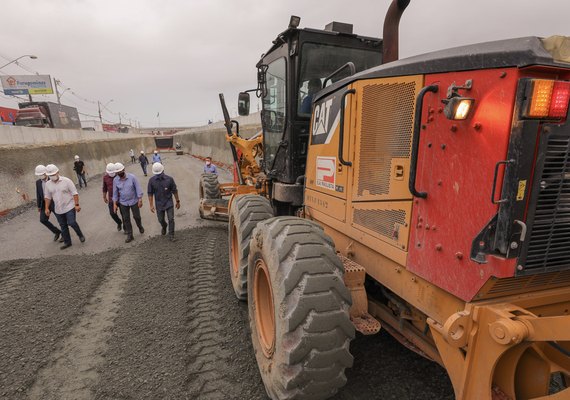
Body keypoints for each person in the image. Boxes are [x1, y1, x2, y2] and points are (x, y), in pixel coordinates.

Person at [44, 164, 85, 250]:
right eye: (50, 175)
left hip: (69, 206)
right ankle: (67, 242)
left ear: (58, 172)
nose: (52, 176)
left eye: (53, 174)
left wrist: (77, 205)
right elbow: (47, 197)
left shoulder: (67, 181)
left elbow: (74, 193)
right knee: (63, 226)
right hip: (58, 209)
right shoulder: (48, 184)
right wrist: (46, 208)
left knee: (72, 222)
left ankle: (80, 234)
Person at [112, 163, 145, 243]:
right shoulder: (115, 180)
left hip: (134, 200)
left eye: (120, 172)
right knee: (126, 219)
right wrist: (114, 204)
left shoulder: (132, 177)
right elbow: (115, 193)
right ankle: (130, 235)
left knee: (137, 216)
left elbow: (138, 188)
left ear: (124, 170)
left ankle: (139, 226)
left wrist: (140, 199)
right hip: (123, 202)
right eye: (118, 173)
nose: (119, 174)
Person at [148, 162, 180, 242]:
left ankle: (171, 235)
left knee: (171, 219)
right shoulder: (151, 181)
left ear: (163, 170)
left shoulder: (170, 179)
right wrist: (151, 205)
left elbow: (175, 191)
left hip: (169, 203)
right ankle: (164, 226)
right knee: (160, 219)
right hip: (159, 204)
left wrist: (177, 201)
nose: (158, 175)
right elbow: (150, 193)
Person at [35, 164, 62, 242]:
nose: (40, 176)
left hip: (54, 202)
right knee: (43, 220)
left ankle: (64, 234)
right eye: (39, 175)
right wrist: (39, 206)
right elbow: (38, 194)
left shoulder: (52, 179)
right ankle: (57, 231)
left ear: (45, 173)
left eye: (41, 174)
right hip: (44, 203)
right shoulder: (38, 182)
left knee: (60, 219)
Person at [102, 163, 123, 232]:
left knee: (124, 213)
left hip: (121, 198)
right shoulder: (105, 178)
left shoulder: (119, 175)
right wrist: (104, 197)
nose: (112, 174)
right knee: (112, 213)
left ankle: (126, 227)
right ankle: (119, 222)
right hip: (111, 198)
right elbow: (104, 188)